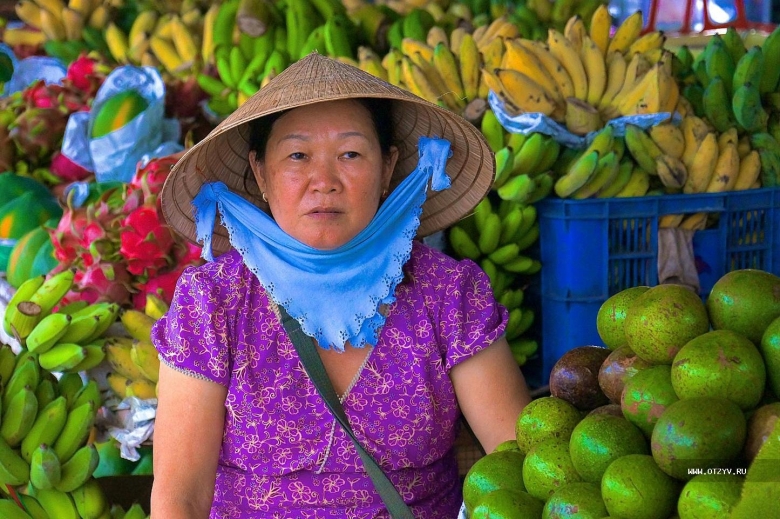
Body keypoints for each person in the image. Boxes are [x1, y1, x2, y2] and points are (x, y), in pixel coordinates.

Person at [151, 52, 532, 518]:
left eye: (350, 154)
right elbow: (180, 499)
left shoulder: (448, 293)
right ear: (261, 172)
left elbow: (521, 467)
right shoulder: (212, 302)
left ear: (388, 167)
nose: (324, 181)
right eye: (298, 156)